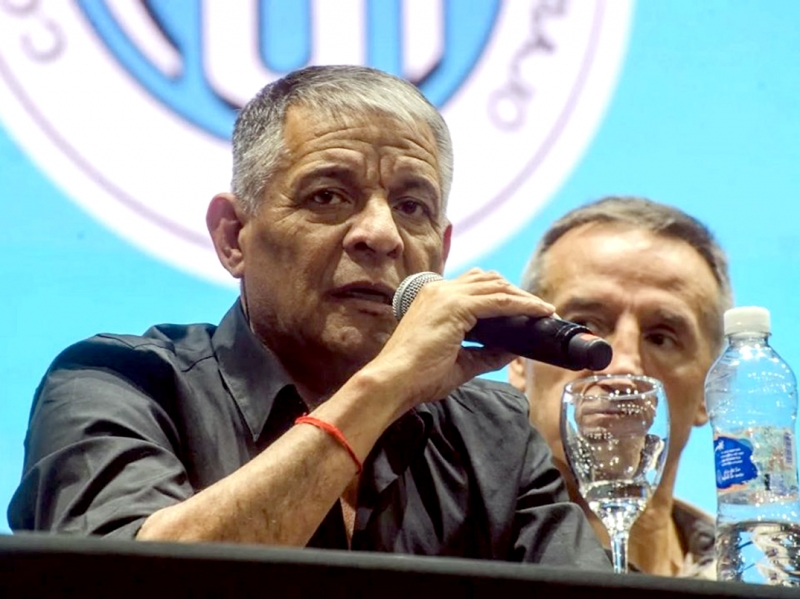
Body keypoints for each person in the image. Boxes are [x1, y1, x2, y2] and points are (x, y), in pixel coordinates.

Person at [8, 65, 610, 568]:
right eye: (327, 196)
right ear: (233, 236)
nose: (381, 235)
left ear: (442, 250)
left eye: (412, 207)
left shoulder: (495, 432)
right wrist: (385, 387)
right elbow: (127, 587)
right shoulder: (114, 384)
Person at [509, 196, 733, 577]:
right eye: (584, 326)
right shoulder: (448, 553)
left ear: (712, 390)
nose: (623, 364)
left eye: (660, 338)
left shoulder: (767, 577)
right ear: (518, 358)